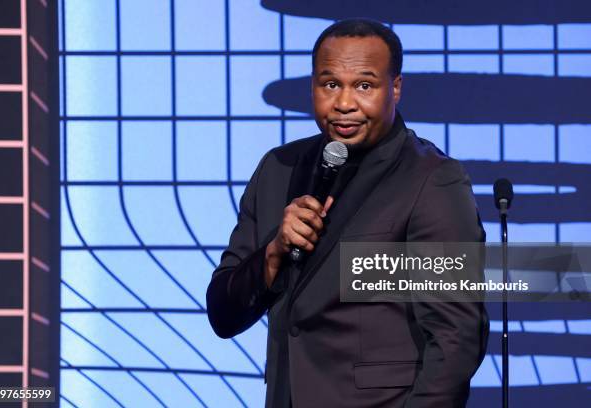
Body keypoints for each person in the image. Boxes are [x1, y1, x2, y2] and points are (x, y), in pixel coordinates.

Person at [206, 19, 488, 408]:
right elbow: (223, 315)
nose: (344, 103)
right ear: (313, 87)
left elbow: (456, 338)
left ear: (396, 88)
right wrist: (273, 254)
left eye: (364, 85)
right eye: (330, 84)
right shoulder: (278, 168)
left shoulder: (433, 181)